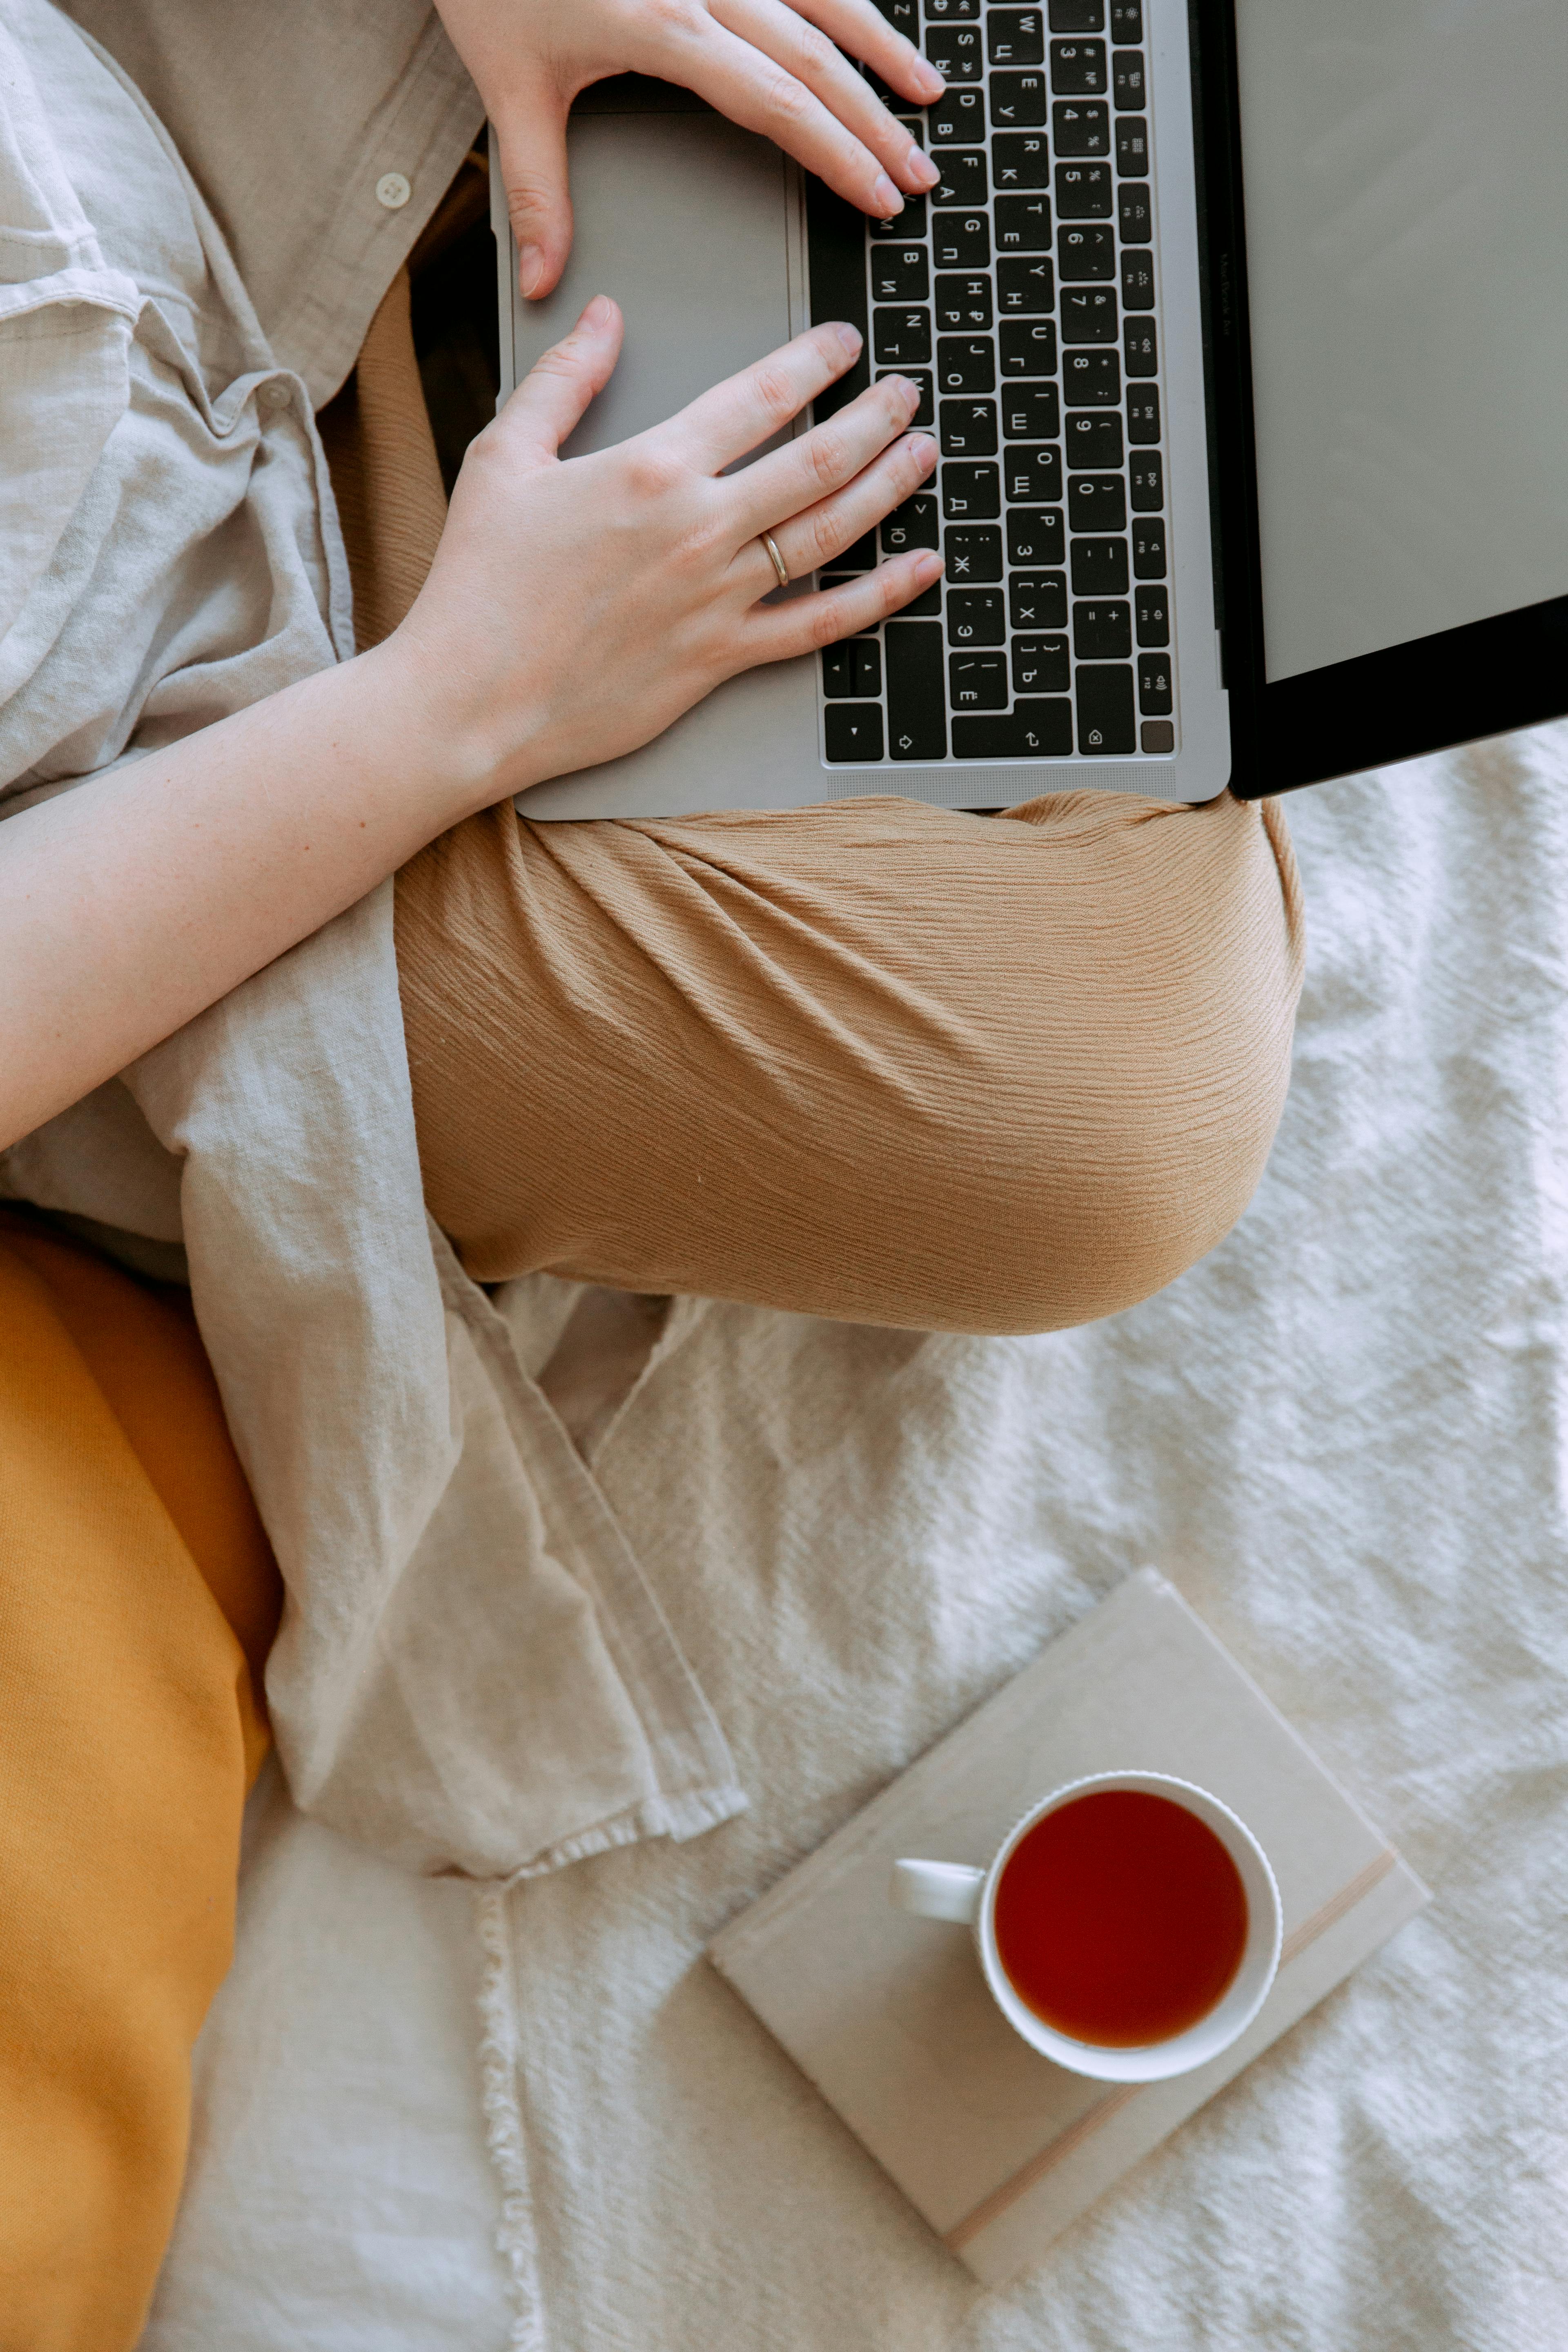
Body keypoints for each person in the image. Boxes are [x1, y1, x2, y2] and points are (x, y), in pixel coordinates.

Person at [0, 0, 1303, 2340]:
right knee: (1099, 1122)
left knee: (1043, 181)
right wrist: (456, 710)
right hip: (171, 770)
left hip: (242, 133)